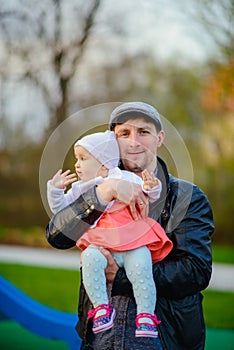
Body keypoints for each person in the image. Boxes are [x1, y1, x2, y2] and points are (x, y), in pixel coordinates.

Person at [46, 101, 214, 350]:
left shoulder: (187, 197)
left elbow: (196, 271)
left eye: (143, 132)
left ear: (159, 138)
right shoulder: (94, 187)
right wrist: (105, 193)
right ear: (113, 142)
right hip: (100, 337)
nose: (134, 141)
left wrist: (121, 277)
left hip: (162, 337)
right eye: (124, 133)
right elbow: (57, 236)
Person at [47, 130, 173, 338]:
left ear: (104, 164)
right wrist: (55, 190)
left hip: (133, 241)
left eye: (83, 159)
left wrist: (152, 186)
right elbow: (61, 212)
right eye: (77, 159)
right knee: (89, 259)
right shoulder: (81, 189)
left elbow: (149, 193)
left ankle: (146, 315)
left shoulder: (123, 176)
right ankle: (101, 308)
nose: (77, 164)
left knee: (141, 269)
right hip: (101, 244)